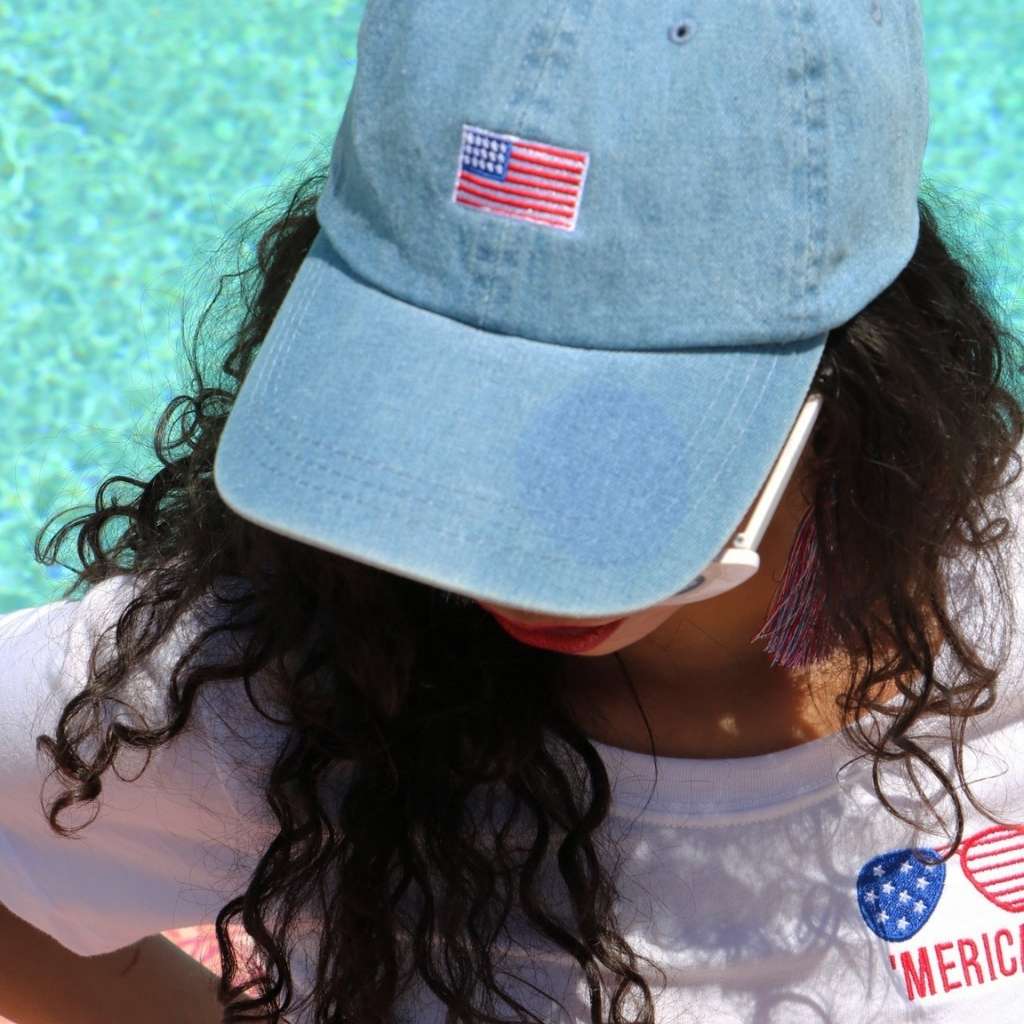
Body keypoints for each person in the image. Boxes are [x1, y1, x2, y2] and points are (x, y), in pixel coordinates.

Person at [3, 2, 1024, 1022]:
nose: (498, 545)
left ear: (862, 370)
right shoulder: (266, 689)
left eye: (617, 427)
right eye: (440, 403)